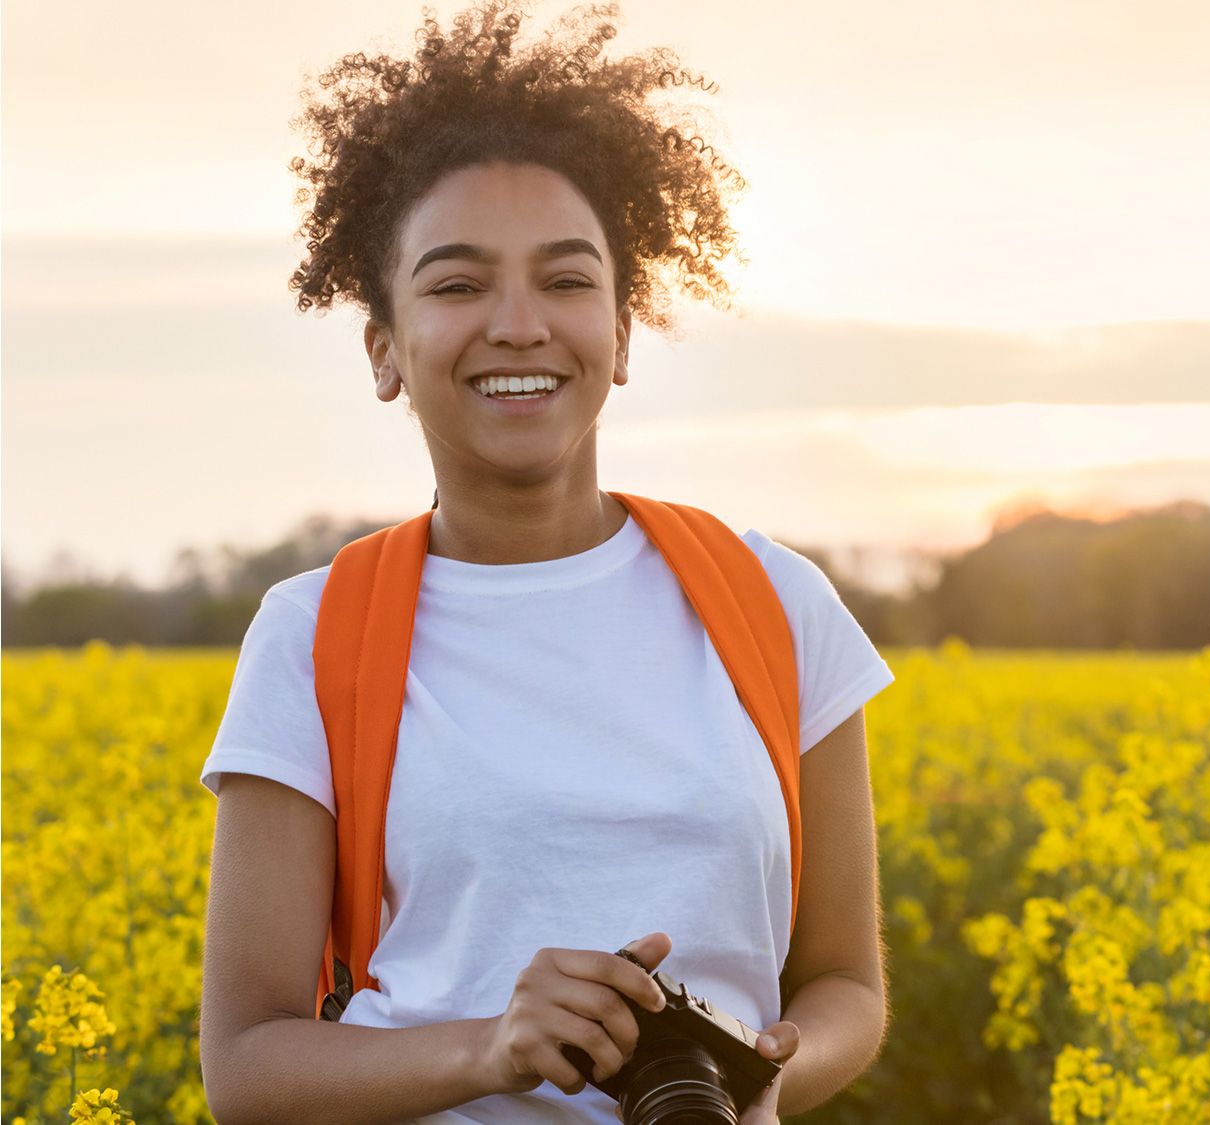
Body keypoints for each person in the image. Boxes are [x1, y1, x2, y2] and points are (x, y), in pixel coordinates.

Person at [195, 3, 894, 1122]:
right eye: (458, 284)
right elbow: (247, 1068)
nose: (519, 325)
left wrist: (753, 1082)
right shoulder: (313, 633)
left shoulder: (774, 602)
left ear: (620, 336)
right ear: (384, 348)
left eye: (567, 281)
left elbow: (846, 986)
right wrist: (494, 1050)